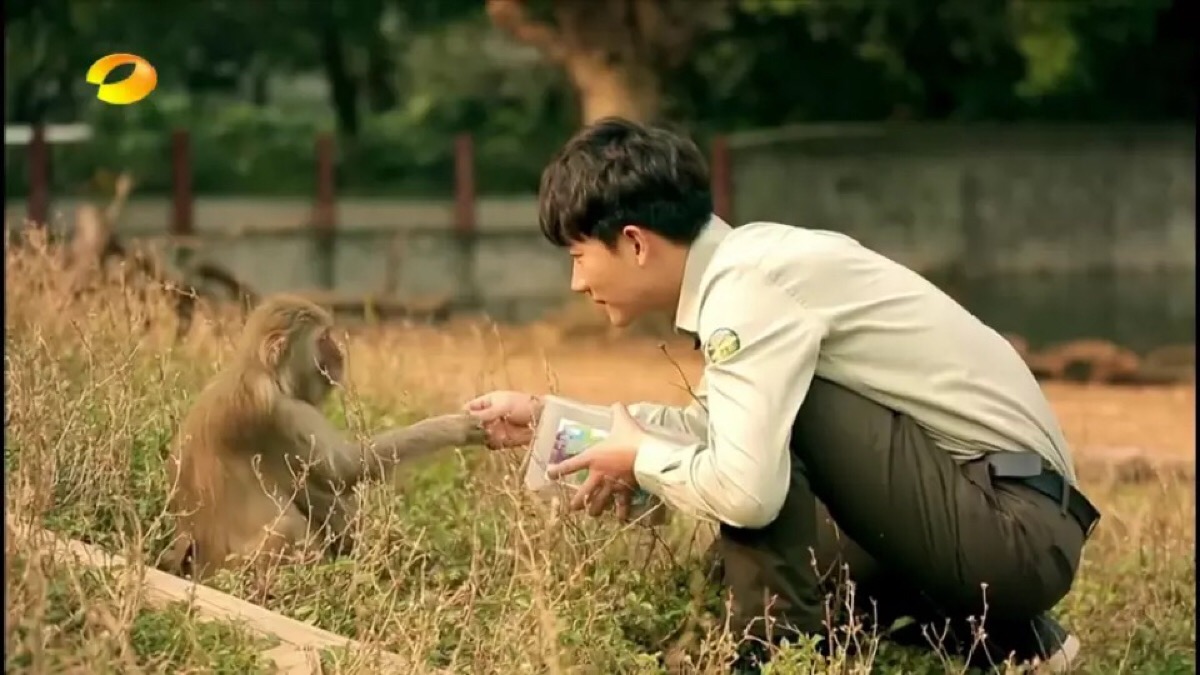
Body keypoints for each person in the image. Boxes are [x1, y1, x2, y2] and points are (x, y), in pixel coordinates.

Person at [462, 117, 1100, 672]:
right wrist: (554, 418)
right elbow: (715, 428)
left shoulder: (749, 290)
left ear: (633, 243)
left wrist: (640, 458)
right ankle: (1015, 642)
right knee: (755, 550)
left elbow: (745, 489)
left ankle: (773, 654)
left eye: (578, 257)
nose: (576, 283)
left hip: (1015, 532)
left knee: (759, 473)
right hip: (988, 510)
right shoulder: (749, 269)